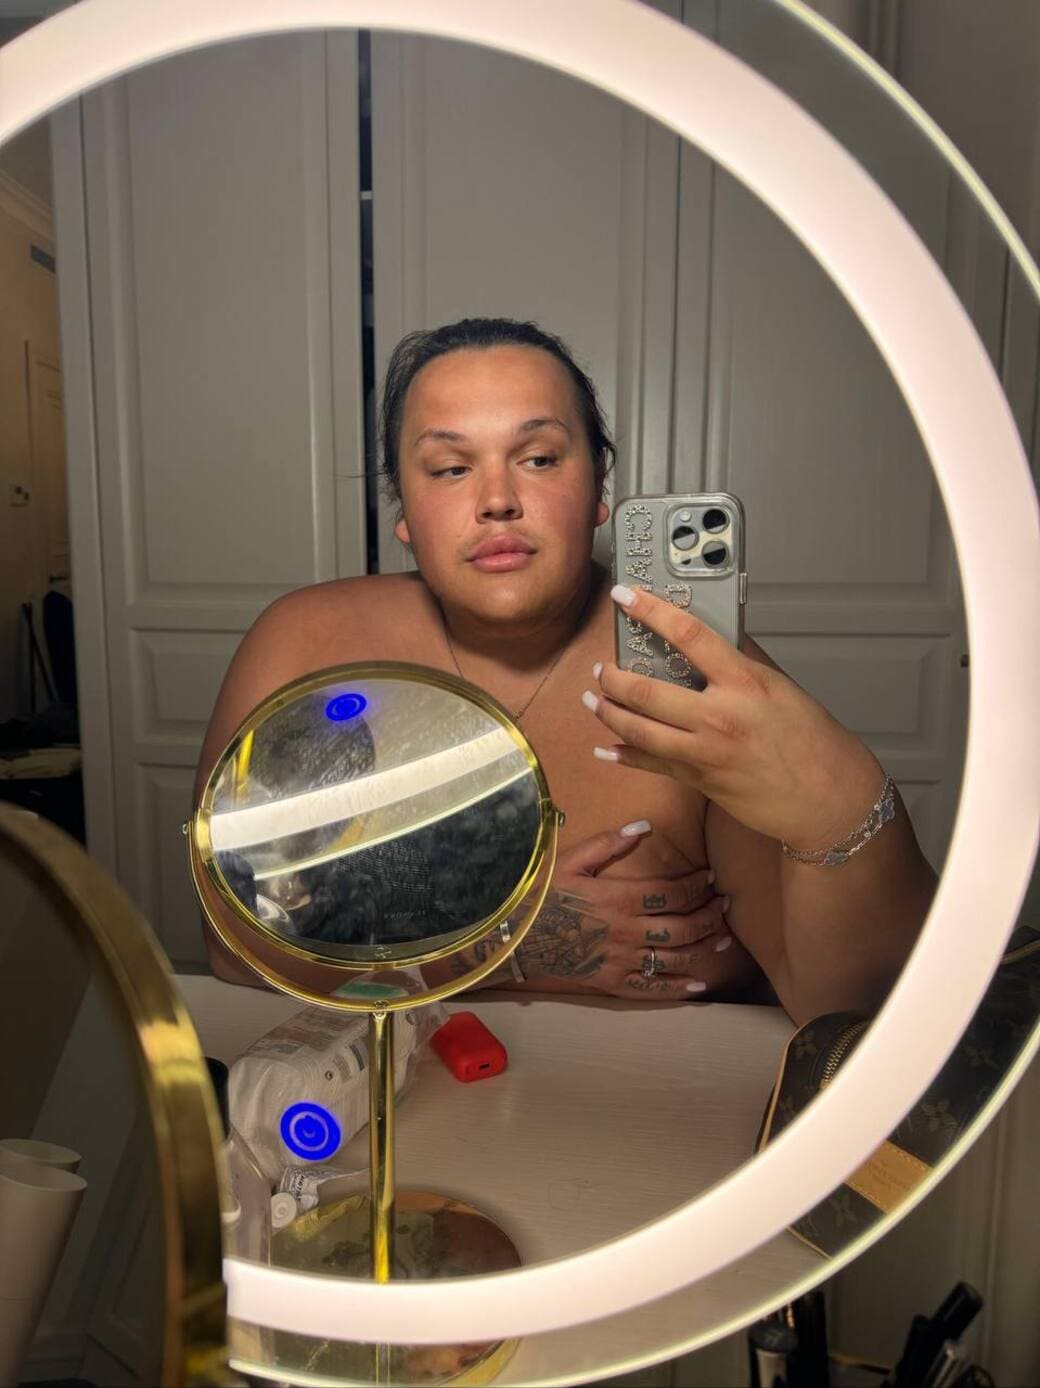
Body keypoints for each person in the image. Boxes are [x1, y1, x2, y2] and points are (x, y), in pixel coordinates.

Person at [195, 317, 935, 1024]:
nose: (497, 501)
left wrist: (841, 800)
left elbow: (846, 999)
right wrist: (513, 944)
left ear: (598, 485)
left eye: (540, 459)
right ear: (406, 510)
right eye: (451, 468)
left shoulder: (692, 676)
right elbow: (235, 946)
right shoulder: (304, 644)